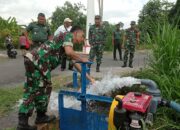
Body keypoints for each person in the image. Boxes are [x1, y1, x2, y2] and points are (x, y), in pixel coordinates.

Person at [16, 26, 95, 130]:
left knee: (39, 89)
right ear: (76, 33)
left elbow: (76, 64)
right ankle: (25, 123)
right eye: (82, 36)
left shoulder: (65, 42)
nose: (82, 40)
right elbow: (69, 52)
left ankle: (38, 117)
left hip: (34, 60)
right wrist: (83, 59)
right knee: (37, 90)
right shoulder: (68, 35)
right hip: (38, 62)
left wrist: (90, 79)